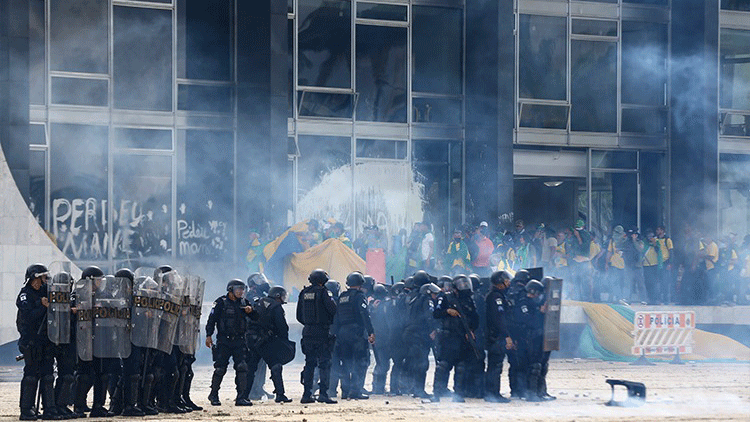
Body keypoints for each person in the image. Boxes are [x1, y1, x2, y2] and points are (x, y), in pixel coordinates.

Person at [17, 264, 60, 421]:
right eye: (42, 277)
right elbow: (28, 317)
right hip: (31, 341)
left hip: (45, 341)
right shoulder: (25, 295)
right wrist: (42, 307)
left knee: (48, 376)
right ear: (35, 278)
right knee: (31, 376)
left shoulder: (45, 292)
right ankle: (27, 409)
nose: (45, 280)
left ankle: (49, 409)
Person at [431, 275, 479, 402]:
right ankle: (437, 393)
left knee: (461, 366)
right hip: (448, 337)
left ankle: (458, 394)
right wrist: (447, 311)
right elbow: (436, 313)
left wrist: (471, 330)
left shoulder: (469, 300)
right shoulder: (446, 297)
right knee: (443, 366)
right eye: (461, 284)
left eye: (465, 284)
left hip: (462, 337)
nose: (464, 287)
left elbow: (474, 318)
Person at [205, 279, 253, 406]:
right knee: (220, 368)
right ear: (230, 289)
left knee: (242, 367)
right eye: (238, 289)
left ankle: (241, 397)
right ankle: (214, 394)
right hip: (224, 340)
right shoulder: (221, 302)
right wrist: (208, 335)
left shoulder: (244, 302)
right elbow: (212, 319)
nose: (241, 292)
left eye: (243, 289)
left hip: (240, 341)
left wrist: (251, 311)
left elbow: (255, 317)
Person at [296, 269, 338, 404]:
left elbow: (299, 315)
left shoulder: (304, 293)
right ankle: (323, 394)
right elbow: (333, 310)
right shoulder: (324, 292)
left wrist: (309, 324)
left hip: (308, 332)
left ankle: (306, 394)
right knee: (325, 363)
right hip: (322, 332)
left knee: (309, 363)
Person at [245, 286, 293, 403]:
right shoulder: (276, 307)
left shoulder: (260, 301)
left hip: (254, 340)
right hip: (266, 341)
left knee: (251, 368)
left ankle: (243, 395)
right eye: (282, 295)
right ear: (277, 296)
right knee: (276, 366)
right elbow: (282, 327)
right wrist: (283, 340)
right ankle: (280, 395)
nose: (283, 298)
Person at [333, 272, 375, 400]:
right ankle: (355, 391)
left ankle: (345, 391)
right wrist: (370, 332)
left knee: (345, 362)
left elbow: (337, 317)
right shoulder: (360, 296)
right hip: (356, 333)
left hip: (342, 333)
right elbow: (364, 314)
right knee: (360, 362)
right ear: (361, 284)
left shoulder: (342, 297)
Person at [402, 282, 440, 399]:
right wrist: (432, 329)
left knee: (415, 363)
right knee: (422, 364)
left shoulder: (415, 300)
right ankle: (419, 390)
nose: (435, 296)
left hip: (410, 334)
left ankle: (414, 388)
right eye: (434, 294)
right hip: (418, 335)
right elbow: (429, 316)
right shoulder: (426, 300)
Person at [484, 270, 513, 403]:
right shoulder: (496, 297)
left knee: (495, 365)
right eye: (506, 280)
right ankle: (492, 394)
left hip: (495, 335)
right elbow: (499, 319)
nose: (508, 283)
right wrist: (506, 335)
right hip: (496, 336)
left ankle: (492, 392)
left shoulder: (497, 295)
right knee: (495, 366)